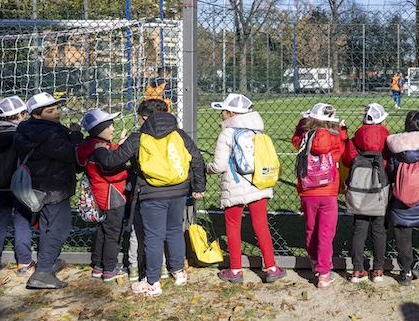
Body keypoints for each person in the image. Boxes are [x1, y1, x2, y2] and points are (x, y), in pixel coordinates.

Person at [93, 98, 207, 296]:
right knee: (174, 230)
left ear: (145, 118)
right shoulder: (178, 134)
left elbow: (112, 161)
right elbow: (196, 158)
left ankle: (153, 281)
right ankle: (178, 271)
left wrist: (101, 150)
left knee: (153, 237)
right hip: (179, 190)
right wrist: (198, 185)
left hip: (151, 194)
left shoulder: (138, 138)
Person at [207, 93, 287, 285]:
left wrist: (206, 169)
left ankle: (235, 270)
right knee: (261, 224)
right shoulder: (257, 131)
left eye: (224, 111)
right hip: (258, 182)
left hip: (234, 185)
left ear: (231, 112)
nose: (222, 114)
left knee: (233, 227)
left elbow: (218, 166)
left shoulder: (227, 133)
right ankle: (271, 267)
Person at [14, 92, 83, 289]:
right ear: (36, 115)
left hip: (37, 188)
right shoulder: (50, 134)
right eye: (50, 110)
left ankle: (48, 262)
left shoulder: (26, 130)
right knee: (59, 229)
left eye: (57, 109)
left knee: (46, 226)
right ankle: (42, 272)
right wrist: (76, 135)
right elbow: (72, 154)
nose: (57, 113)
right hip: (54, 188)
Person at [294, 103, 347, 289]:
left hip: (308, 191)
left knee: (311, 228)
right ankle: (324, 273)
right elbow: (342, 150)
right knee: (326, 233)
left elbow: (294, 139)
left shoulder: (304, 138)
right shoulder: (335, 138)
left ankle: (315, 261)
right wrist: (342, 131)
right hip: (329, 191)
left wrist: (302, 125)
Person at [0, 96, 35, 275]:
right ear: (20, 114)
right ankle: (24, 263)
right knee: (22, 222)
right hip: (17, 184)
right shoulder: (19, 133)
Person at [386, 110, 419, 286]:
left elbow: (392, 174)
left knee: (402, 236)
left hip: (400, 203)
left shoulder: (396, 150)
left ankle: (406, 272)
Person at [76, 108, 129, 282]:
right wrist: (128, 171)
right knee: (114, 232)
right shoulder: (98, 151)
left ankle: (98, 265)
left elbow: (109, 152)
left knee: (103, 230)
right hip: (111, 196)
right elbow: (112, 173)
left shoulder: (90, 146)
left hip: (100, 194)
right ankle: (109, 268)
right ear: (99, 130)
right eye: (109, 127)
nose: (113, 129)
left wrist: (120, 145)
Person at [342, 103, 390, 284]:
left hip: (359, 190)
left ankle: (357, 269)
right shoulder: (387, 139)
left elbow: (347, 161)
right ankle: (378, 269)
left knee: (359, 230)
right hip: (380, 189)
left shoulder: (356, 139)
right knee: (379, 230)